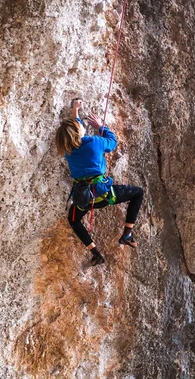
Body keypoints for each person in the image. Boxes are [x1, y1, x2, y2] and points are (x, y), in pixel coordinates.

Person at [56, 98, 144, 266]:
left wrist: (76, 111)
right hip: (104, 194)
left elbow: (75, 133)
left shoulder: (68, 150)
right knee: (138, 193)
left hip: (85, 200)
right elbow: (112, 143)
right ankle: (127, 234)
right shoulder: (95, 142)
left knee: (74, 220)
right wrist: (100, 127)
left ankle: (96, 253)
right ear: (80, 131)